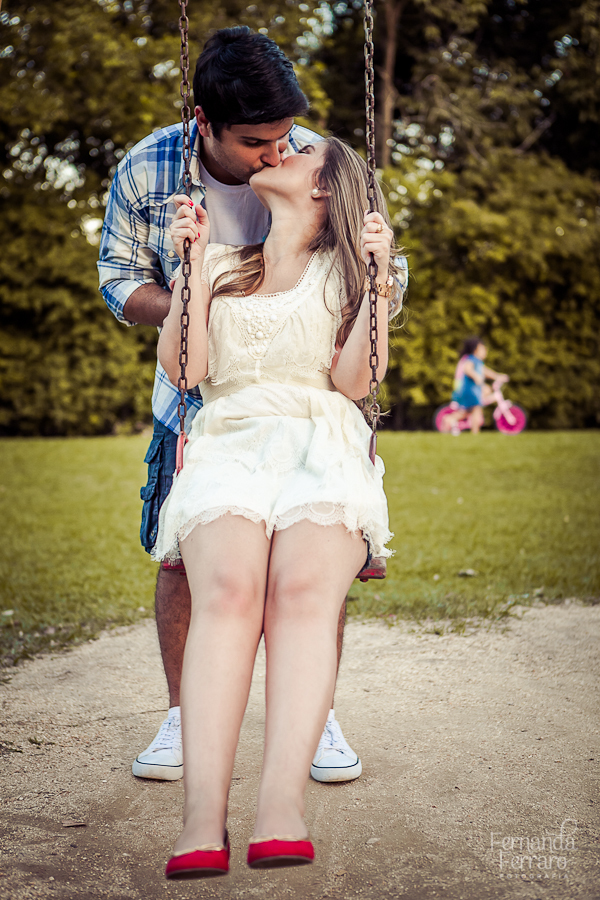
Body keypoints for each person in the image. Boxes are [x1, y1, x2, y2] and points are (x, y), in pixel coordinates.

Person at [98, 27, 367, 786]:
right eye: (255, 143)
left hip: (304, 394)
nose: (277, 156)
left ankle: (310, 712)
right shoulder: (150, 166)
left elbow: (378, 264)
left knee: (308, 559)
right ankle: (186, 712)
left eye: (286, 139)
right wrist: (198, 303)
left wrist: (363, 288)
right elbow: (117, 275)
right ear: (203, 119)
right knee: (184, 556)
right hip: (199, 394)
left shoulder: (310, 158)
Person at [155, 135, 402, 878]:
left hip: (321, 442)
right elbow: (188, 368)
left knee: (301, 597)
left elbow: (358, 381)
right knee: (227, 593)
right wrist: (190, 261)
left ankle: (279, 809)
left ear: (325, 190)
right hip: (229, 439)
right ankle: (202, 820)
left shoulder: (346, 271)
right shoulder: (223, 264)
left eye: (299, 154)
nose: (277, 153)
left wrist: (379, 276)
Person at [446, 337, 508, 434]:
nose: (485, 351)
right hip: (470, 391)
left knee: (468, 412)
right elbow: (467, 368)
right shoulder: (471, 359)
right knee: (476, 410)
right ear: (475, 350)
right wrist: (476, 376)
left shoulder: (478, 362)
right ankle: (474, 433)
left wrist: (497, 376)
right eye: (482, 349)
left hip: (473, 391)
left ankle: (450, 420)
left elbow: (486, 371)